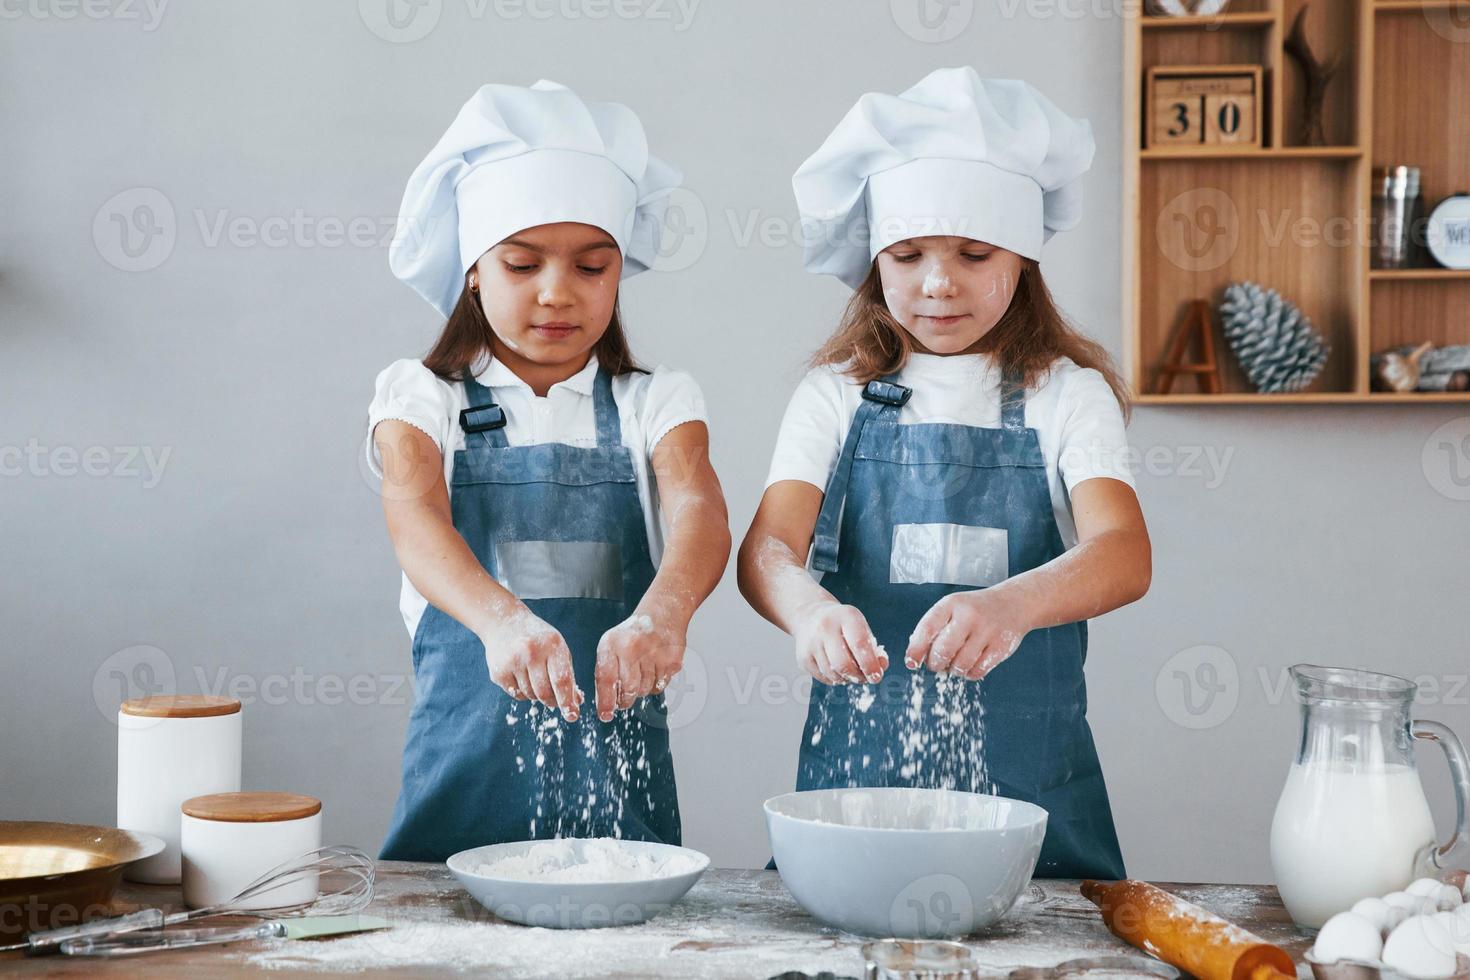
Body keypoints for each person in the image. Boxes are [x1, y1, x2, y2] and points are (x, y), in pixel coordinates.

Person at [736, 67, 1150, 879]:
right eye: (908, 253)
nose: (937, 282)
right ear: (874, 261)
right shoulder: (836, 396)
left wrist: (1016, 602)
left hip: (1031, 805)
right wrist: (808, 611)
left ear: (1023, 258)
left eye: (973, 253)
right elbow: (765, 553)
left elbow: (1125, 553)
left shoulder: (1066, 395)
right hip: (856, 797)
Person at [369, 80, 730, 861]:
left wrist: (664, 614)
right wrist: (502, 621)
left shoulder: (656, 401)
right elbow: (416, 521)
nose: (557, 293)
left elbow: (698, 508)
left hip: (619, 795)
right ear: (473, 268)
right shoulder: (419, 397)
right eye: (522, 264)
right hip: (461, 778)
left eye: (592, 267)